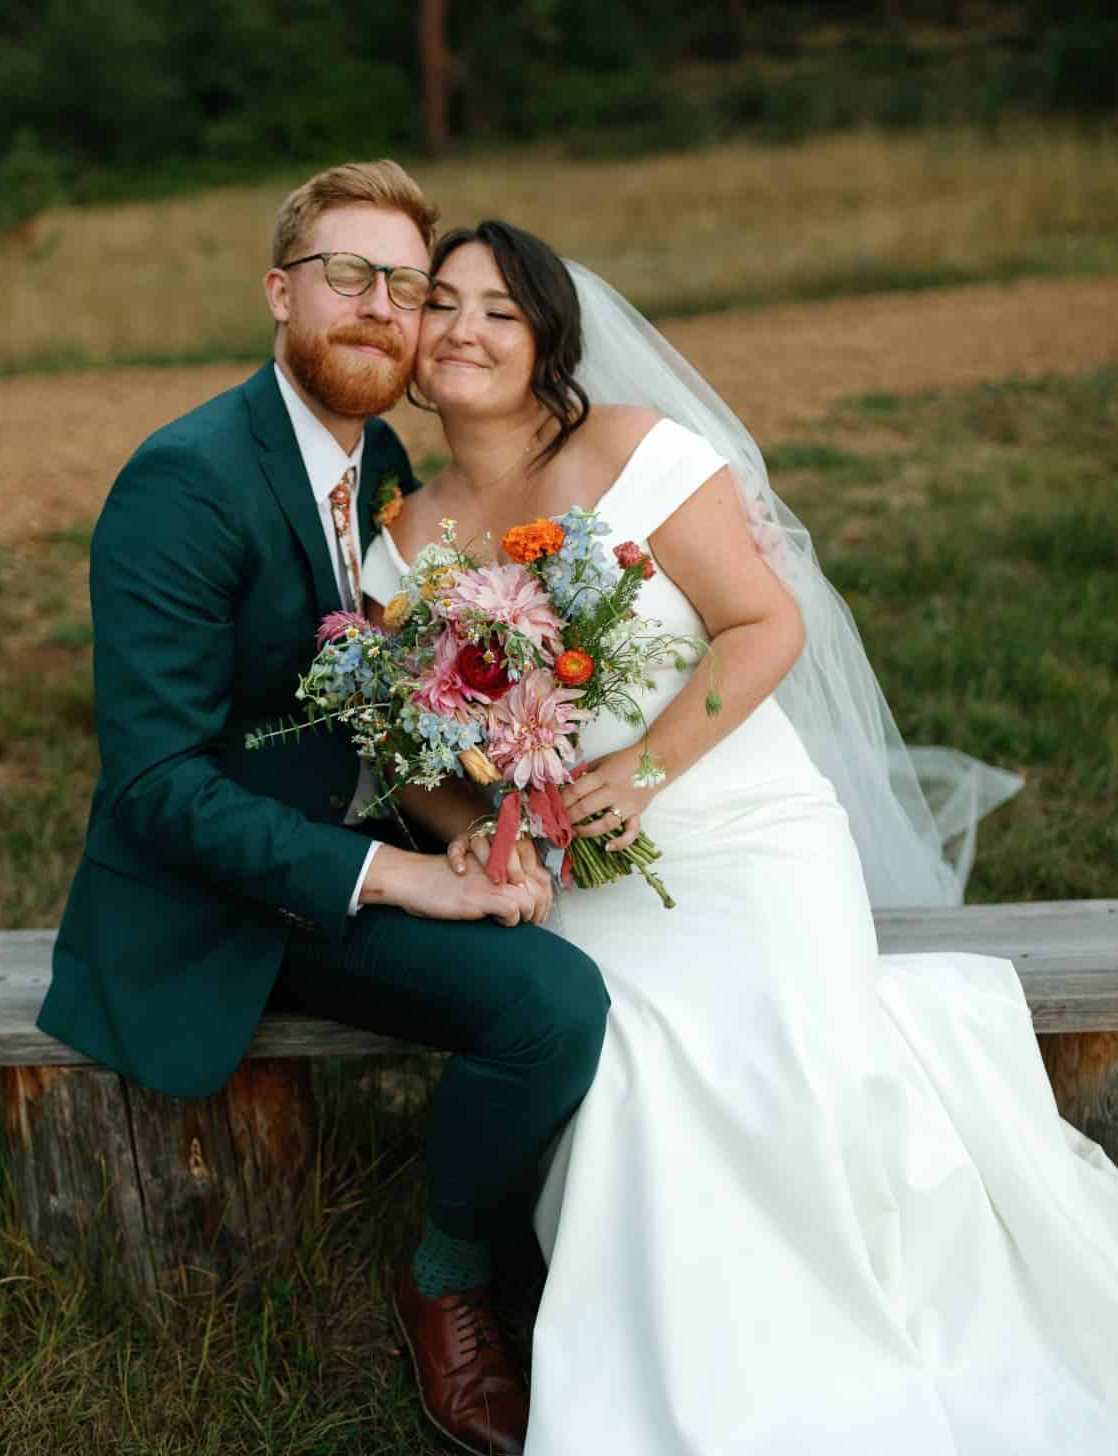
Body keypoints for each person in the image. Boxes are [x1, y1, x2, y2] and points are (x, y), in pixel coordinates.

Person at [360, 219, 1118, 1454]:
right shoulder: (402, 545)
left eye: (499, 309)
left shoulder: (635, 449)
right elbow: (412, 758)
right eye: (441, 304)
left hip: (740, 826)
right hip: (582, 876)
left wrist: (644, 773)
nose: (463, 330)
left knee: (776, 1059)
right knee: (626, 1075)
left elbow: (764, 625)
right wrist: (480, 830)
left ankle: (841, 1354)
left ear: (548, 333)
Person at [37, 167, 611, 1456]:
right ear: (280, 292)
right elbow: (156, 789)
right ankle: (449, 1277)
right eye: (348, 276)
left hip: (371, 829)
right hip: (228, 886)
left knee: (592, 933)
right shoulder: (185, 481)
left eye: (405, 287)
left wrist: (471, 816)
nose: (380, 307)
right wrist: (400, 877)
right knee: (551, 1004)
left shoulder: (385, 457)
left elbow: (386, 697)